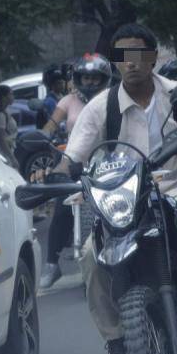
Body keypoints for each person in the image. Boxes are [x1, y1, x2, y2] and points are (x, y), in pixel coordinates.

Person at [52, 23, 177, 354]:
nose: (132, 63)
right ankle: (116, 341)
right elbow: (73, 155)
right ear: (115, 62)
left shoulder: (176, 94)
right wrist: (59, 174)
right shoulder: (99, 108)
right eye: (123, 56)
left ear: (153, 58)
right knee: (91, 256)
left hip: (175, 189)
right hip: (123, 200)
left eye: (139, 54)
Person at [39, 53, 112, 289]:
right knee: (62, 205)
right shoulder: (67, 102)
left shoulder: (113, 98)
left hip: (110, 162)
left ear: (104, 78)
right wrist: (40, 137)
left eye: (95, 78)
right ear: (77, 78)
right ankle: (52, 264)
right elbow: (49, 127)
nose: (89, 83)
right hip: (73, 162)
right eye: (85, 78)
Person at [0, 84, 18, 167]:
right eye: (11, 94)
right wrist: (12, 158)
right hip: (2, 153)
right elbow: (2, 139)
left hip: (7, 151)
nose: (13, 97)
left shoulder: (5, 112)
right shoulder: (0, 116)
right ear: (3, 97)